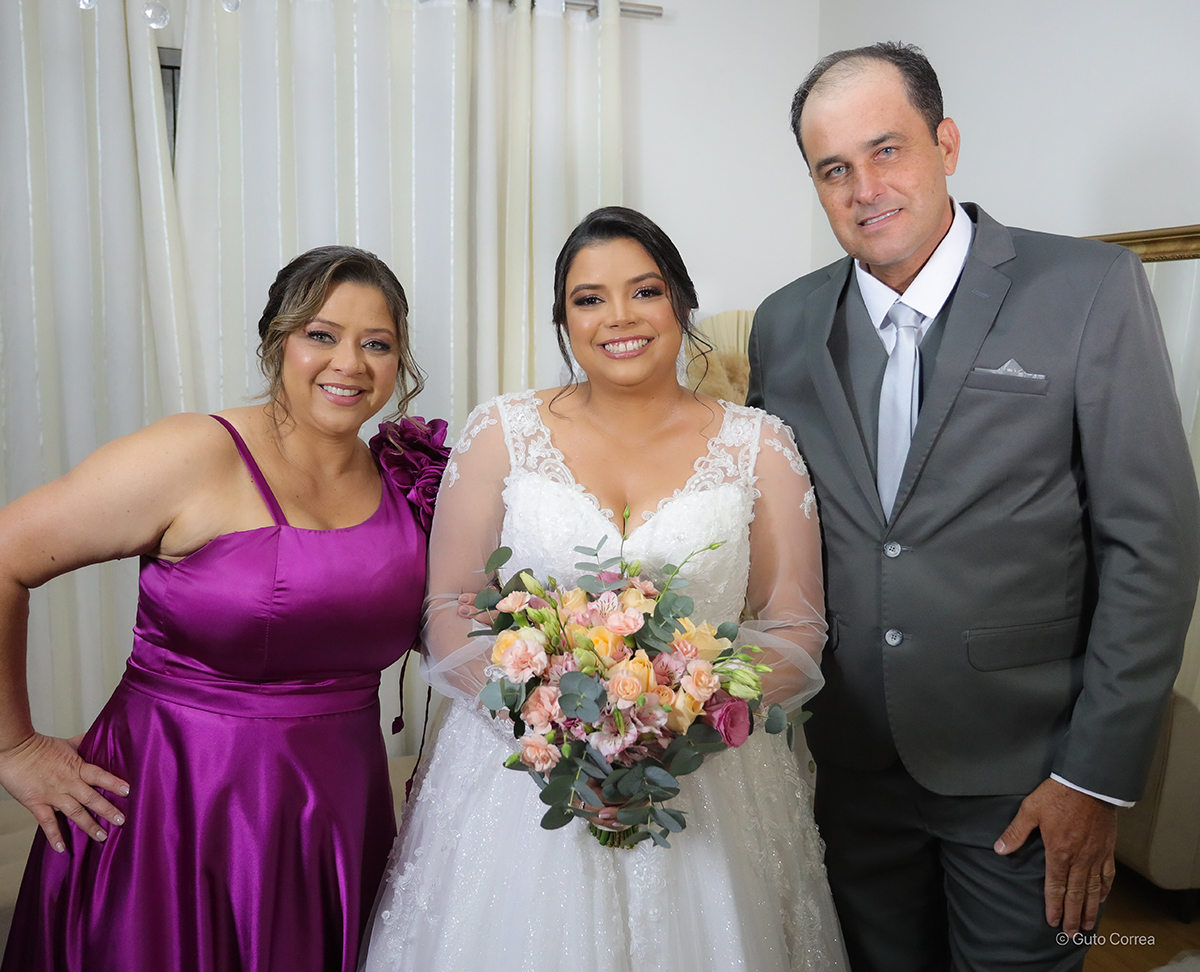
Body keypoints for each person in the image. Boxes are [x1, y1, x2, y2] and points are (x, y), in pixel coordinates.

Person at [746, 41, 1200, 972]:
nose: (865, 188)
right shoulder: (784, 323)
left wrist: (1094, 778)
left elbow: (1153, 548)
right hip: (854, 769)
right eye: (834, 169)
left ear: (945, 143)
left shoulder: (1088, 289)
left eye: (887, 150)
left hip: (1029, 775)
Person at [360, 207, 847, 972]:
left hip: (712, 785)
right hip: (520, 782)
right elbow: (450, 607)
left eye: (644, 291)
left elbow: (795, 624)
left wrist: (679, 730)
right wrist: (553, 737)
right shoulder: (501, 433)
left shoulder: (761, 445)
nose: (619, 317)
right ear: (564, 319)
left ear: (681, 302)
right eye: (589, 299)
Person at [0, 245, 449, 972]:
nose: (350, 363)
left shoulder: (406, 479)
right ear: (277, 341)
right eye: (321, 335)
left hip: (337, 818)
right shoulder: (195, 453)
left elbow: (454, 625)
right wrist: (13, 749)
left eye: (377, 343)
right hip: (174, 812)